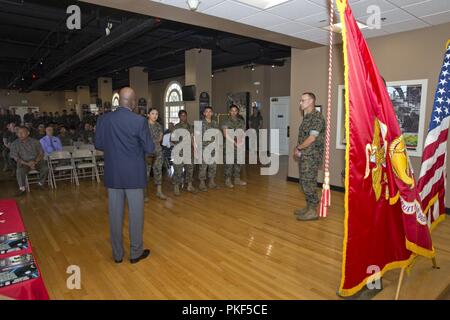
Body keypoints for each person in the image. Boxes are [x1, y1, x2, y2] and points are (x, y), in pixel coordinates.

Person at [95, 87, 155, 264]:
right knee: (136, 216)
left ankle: (117, 254)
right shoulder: (139, 121)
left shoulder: (104, 119)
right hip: (134, 175)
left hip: (114, 174)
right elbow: (150, 148)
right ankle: (135, 253)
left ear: (119, 100)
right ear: (133, 102)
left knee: (115, 216)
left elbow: (98, 143)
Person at [293, 92, 325, 221]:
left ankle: (313, 211)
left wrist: (299, 147)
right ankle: (308, 207)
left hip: (311, 156)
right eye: (300, 100)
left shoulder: (316, 117)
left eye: (303, 100)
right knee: (304, 182)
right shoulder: (307, 117)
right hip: (305, 155)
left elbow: (312, 138)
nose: (300, 103)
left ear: (311, 101)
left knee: (309, 183)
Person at [10, 126, 48, 196]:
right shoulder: (14, 144)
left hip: (36, 161)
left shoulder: (35, 141)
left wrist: (35, 162)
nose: (20, 134)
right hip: (23, 162)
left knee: (45, 168)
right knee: (19, 171)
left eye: (22, 132)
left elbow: (41, 153)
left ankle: (40, 184)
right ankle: (22, 188)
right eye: (18, 133)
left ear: (28, 133)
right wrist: (28, 164)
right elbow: (16, 158)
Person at [172, 110, 197, 196]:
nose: (183, 117)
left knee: (190, 169)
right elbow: (172, 140)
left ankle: (189, 185)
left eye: (185, 115)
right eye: (182, 115)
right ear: (179, 117)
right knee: (178, 170)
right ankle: (176, 187)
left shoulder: (190, 127)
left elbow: (192, 138)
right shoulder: (176, 127)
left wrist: (194, 148)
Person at [221, 104, 246, 188]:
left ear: (237, 112)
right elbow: (225, 134)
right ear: (229, 112)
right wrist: (234, 143)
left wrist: (241, 142)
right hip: (229, 146)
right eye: (232, 111)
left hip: (239, 145)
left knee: (238, 163)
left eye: (235, 111)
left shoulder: (241, 121)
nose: (234, 112)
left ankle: (237, 179)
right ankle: (227, 180)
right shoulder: (225, 121)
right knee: (229, 163)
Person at [146, 108, 167, 201]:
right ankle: (144, 194)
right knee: (146, 172)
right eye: (153, 113)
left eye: (156, 114)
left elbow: (160, 138)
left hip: (158, 151)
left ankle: (159, 192)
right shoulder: (144, 125)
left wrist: (154, 142)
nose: (155, 116)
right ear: (148, 115)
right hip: (147, 151)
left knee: (158, 170)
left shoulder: (159, 125)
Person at [198, 106, 219, 191]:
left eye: (210, 111)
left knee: (213, 166)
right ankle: (202, 183)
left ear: (212, 113)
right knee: (203, 166)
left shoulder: (215, 123)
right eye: (206, 111)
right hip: (203, 148)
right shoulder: (200, 123)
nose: (208, 113)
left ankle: (211, 182)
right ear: (204, 113)